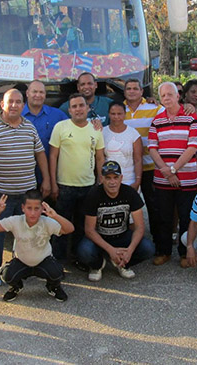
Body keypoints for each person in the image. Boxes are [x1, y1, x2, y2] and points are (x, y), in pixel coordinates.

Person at [0, 89, 51, 286]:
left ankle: (19, 268)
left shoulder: (29, 127)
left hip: (26, 193)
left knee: (25, 232)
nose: (14, 105)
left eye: (18, 102)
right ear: (2, 105)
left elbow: (40, 154)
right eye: (10, 102)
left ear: (23, 106)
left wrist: (46, 179)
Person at [147, 82, 197, 267]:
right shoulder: (157, 120)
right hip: (163, 178)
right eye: (163, 96)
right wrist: (168, 173)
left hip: (186, 177)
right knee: (164, 216)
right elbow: (152, 148)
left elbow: (193, 146)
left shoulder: (190, 117)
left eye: (170, 94)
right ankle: (164, 251)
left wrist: (173, 170)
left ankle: (185, 253)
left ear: (178, 96)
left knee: (186, 216)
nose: (166, 98)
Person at [0, 191, 73, 302]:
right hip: (21, 260)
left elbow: (70, 229)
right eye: (29, 208)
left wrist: (55, 216)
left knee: (57, 272)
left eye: (36, 209)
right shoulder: (16, 220)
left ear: (42, 209)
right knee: (7, 275)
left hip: (43, 260)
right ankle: (16, 286)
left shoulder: (46, 222)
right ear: (23, 208)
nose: (33, 213)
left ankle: (53, 286)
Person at [49, 93, 105, 263]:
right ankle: (57, 262)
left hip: (88, 186)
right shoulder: (60, 127)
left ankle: (78, 258)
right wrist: (53, 184)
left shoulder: (96, 130)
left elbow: (100, 158)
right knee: (60, 226)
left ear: (87, 108)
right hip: (64, 186)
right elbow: (52, 157)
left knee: (82, 227)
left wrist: (100, 181)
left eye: (81, 105)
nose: (78, 109)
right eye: (74, 106)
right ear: (69, 110)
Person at [77, 161, 154, 281]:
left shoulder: (130, 193)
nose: (112, 182)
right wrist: (110, 250)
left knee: (148, 248)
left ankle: (123, 263)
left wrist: (130, 250)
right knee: (84, 251)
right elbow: (89, 230)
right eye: (108, 178)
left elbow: (139, 227)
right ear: (102, 178)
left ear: (121, 178)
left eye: (115, 177)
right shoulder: (94, 194)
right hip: (100, 238)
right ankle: (97, 264)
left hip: (122, 235)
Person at [123, 79, 164, 254]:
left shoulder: (154, 108)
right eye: (128, 88)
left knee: (154, 206)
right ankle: (125, 243)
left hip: (150, 167)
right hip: (127, 169)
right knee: (125, 208)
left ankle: (159, 244)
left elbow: (171, 114)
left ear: (142, 91)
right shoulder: (119, 109)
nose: (132, 91)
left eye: (135, 88)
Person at [102, 101, 142, 191]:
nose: (116, 117)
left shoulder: (133, 134)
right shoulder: (102, 133)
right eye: (113, 114)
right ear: (108, 114)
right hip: (109, 182)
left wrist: (137, 181)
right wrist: (101, 180)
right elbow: (100, 158)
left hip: (129, 180)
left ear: (125, 114)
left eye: (119, 114)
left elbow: (138, 159)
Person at [22, 80, 68, 155]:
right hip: (24, 164)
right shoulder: (18, 115)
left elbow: (74, 127)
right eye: (34, 91)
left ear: (45, 95)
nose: (38, 95)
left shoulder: (57, 115)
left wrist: (93, 123)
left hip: (51, 164)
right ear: (27, 93)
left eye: (41, 92)